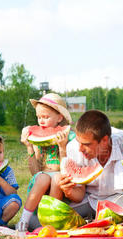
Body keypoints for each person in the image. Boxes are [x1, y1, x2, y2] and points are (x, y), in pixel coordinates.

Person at [34, 110, 123, 229]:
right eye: (79, 142)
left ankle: (89, 223)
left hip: (117, 197)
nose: (80, 148)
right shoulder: (74, 148)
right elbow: (79, 196)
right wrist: (69, 191)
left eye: (87, 144)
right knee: (35, 224)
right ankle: (90, 222)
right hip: (88, 199)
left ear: (104, 141)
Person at [16, 93, 74, 231]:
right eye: (38, 117)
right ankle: (23, 220)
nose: (41, 121)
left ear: (60, 117)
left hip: (60, 183)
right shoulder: (38, 140)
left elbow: (67, 170)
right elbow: (35, 172)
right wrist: (29, 147)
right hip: (41, 183)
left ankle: (51, 220)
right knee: (42, 177)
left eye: (46, 117)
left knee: (57, 178)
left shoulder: (70, 137)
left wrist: (62, 147)